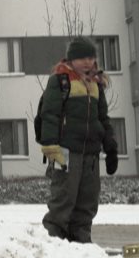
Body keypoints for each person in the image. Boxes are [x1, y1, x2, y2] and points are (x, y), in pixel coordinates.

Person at [38, 36, 118, 243]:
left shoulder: (96, 85)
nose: (87, 62)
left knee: (87, 201)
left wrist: (110, 146)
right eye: (82, 57)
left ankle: (81, 241)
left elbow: (103, 118)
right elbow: (50, 114)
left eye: (91, 57)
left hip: (91, 154)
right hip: (65, 152)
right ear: (71, 59)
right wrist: (50, 145)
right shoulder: (61, 81)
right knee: (63, 199)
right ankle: (54, 242)